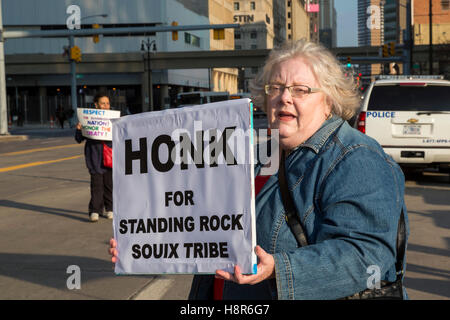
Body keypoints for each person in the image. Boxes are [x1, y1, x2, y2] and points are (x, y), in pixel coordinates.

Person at [110, 39, 409, 299]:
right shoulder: (255, 150)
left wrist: (279, 269)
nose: (284, 97)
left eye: (301, 89)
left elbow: (366, 256)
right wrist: (143, 243)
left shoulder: (356, 158)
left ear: (329, 101)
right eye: (275, 88)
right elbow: (205, 223)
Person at [75, 93, 113, 222]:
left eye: (107, 103)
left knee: (109, 185)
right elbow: (79, 139)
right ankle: (95, 210)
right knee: (97, 185)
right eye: (103, 103)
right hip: (94, 158)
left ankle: (110, 209)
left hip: (110, 157)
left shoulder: (114, 119)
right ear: (96, 105)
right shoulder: (88, 119)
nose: (106, 106)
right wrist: (79, 129)